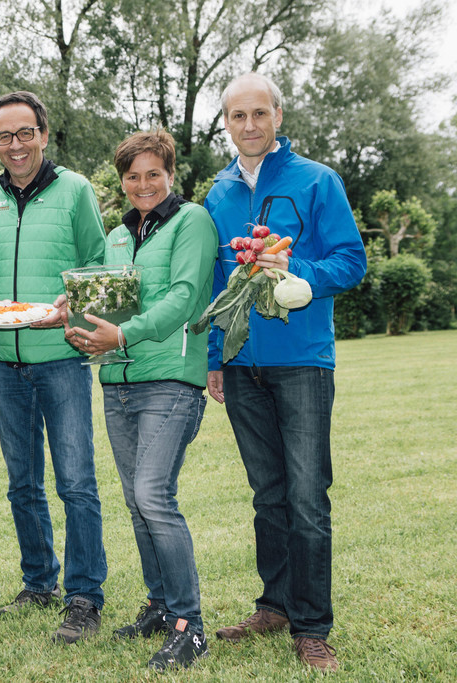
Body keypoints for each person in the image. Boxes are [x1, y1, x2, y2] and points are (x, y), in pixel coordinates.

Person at [205, 72, 367, 673]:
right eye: (237, 116)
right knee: (268, 495)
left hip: (302, 362)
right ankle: (273, 606)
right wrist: (215, 357)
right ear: (226, 123)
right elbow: (215, 284)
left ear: (278, 115)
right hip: (241, 366)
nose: (249, 125)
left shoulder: (318, 180)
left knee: (306, 497)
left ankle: (313, 626)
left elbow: (351, 260)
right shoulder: (217, 194)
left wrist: (299, 274)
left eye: (259, 113)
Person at [65, 129, 217, 670]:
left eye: (154, 173)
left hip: (171, 380)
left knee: (154, 496)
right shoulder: (117, 235)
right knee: (136, 500)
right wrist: (75, 314)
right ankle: (160, 605)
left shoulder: (192, 221)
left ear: (170, 175)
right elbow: (109, 301)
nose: (144, 184)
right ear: (122, 181)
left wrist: (124, 335)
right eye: (133, 176)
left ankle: (190, 626)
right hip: (118, 382)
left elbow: (185, 297)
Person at [0, 90, 108, 644]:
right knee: (22, 483)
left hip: (62, 357)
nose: (16, 144)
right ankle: (38, 581)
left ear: (43, 135)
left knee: (76, 483)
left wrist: (76, 299)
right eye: (5, 136)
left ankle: (84, 595)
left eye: (26, 133)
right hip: (3, 361)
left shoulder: (75, 190)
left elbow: (98, 263)